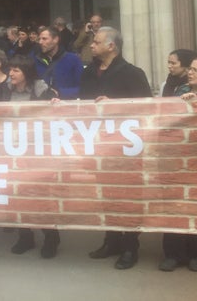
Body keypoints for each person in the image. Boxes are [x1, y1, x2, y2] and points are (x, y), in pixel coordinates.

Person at [80, 27, 152, 270]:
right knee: (107, 194)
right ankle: (111, 240)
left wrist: (117, 105)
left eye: (96, 42)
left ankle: (130, 246)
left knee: (128, 196)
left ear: (111, 46)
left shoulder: (132, 73)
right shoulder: (89, 72)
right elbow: (82, 102)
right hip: (100, 144)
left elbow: (146, 107)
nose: (91, 45)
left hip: (127, 147)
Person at [5, 55, 60, 258]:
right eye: (10, 69)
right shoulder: (6, 91)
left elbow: (52, 115)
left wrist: (54, 103)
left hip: (36, 151)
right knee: (19, 194)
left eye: (16, 70)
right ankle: (25, 236)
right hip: (14, 151)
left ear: (26, 73)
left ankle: (51, 237)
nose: (11, 74)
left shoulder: (40, 89)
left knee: (41, 194)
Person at [160, 53, 197, 271]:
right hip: (176, 158)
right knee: (174, 205)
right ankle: (173, 253)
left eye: (194, 70)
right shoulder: (177, 90)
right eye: (190, 69)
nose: (190, 73)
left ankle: (194, 253)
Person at [34, 26, 83, 99]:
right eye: (39, 39)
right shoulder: (35, 60)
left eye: (44, 39)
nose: (40, 42)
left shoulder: (73, 59)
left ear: (55, 39)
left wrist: (59, 93)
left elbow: (82, 88)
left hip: (65, 106)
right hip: (41, 106)